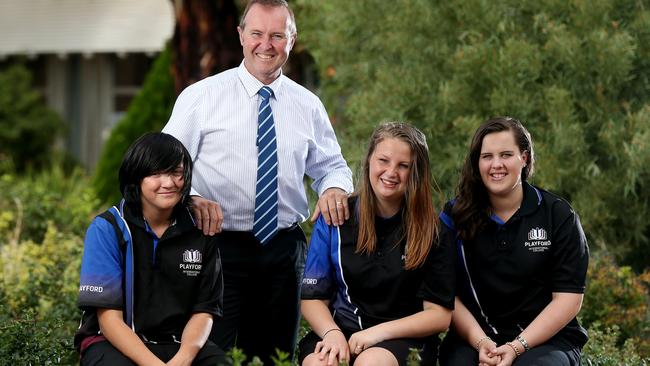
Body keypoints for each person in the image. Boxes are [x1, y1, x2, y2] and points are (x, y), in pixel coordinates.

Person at [161, 0, 353, 362]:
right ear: (241, 36)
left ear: (291, 41)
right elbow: (165, 166)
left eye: (277, 35)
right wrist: (192, 197)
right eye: (257, 34)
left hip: (284, 250)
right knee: (211, 354)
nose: (266, 44)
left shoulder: (308, 104)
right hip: (216, 247)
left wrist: (333, 187)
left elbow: (333, 166)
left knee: (276, 355)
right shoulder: (201, 97)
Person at [299, 122, 456, 366]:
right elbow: (312, 298)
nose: (391, 172)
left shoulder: (434, 230)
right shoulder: (336, 217)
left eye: (403, 166)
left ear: (416, 172)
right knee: (320, 362)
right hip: (341, 330)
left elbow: (439, 316)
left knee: (371, 362)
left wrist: (377, 334)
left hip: (403, 337)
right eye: (383, 160)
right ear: (369, 160)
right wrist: (333, 334)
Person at [438, 117, 589, 366]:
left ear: (525, 158)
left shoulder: (558, 215)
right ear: (477, 162)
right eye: (487, 156)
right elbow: (446, 294)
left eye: (506, 154)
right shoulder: (453, 217)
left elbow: (568, 299)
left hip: (545, 342)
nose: (496, 164)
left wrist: (517, 347)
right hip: (474, 338)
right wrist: (481, 342)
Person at [74, 132, 225, 365]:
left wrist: (183, 359)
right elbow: (108, 319)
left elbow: (203, 311)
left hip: (179, 343)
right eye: (155, 174)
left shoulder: (201, 230)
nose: (168, 183)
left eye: (176, 173)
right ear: (136, 178)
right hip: (111, 341)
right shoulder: (108, 228)